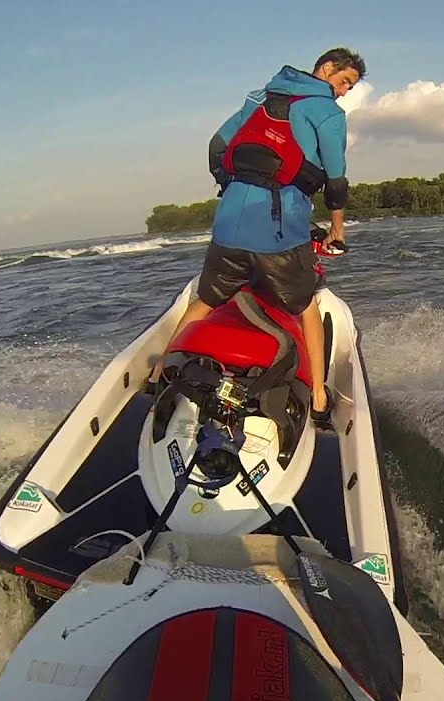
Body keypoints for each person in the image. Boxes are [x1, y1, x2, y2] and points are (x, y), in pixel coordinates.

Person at [154, 48, 364, 424]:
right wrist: (337, 227)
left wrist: (231, 186)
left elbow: (217, 147)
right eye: (345, 81)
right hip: (278, 231)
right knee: (308, 306)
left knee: (204, 300)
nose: (345, 91)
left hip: (228, 224)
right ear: (327, 68)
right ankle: (318, 398)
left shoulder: (260, 97)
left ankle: (158, 375)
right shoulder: (328, 112)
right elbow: (336, 180)